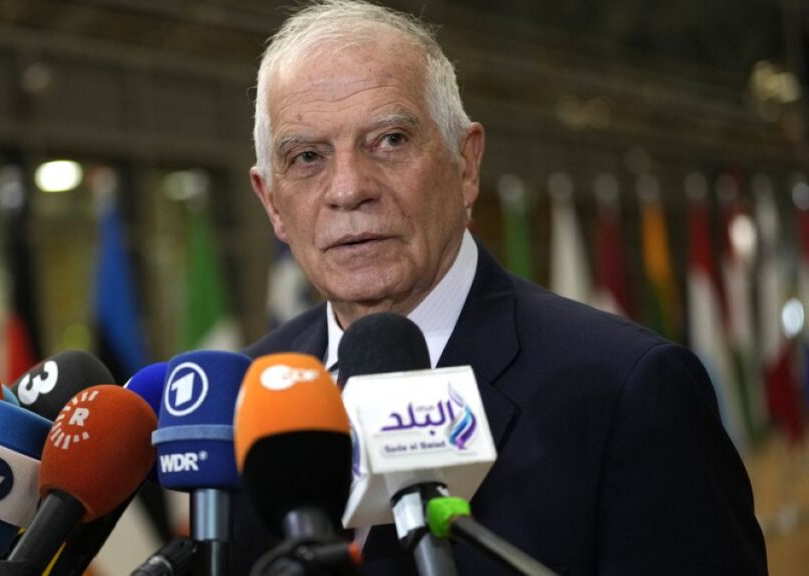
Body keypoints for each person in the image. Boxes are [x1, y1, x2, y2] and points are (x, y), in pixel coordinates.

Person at [233, 1, 767, 574]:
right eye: (307, 156)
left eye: (389, 140)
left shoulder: (630, 391)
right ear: (272, 203)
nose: (348, 189)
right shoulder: (240, 401)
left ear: (466, 165)